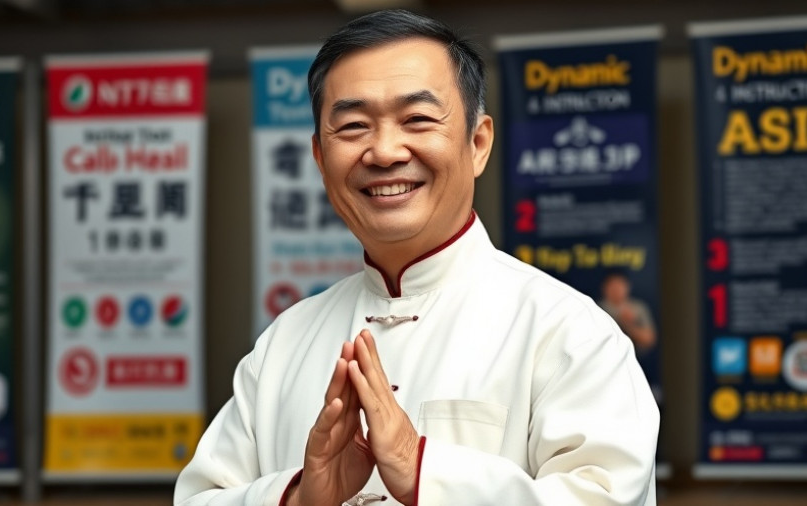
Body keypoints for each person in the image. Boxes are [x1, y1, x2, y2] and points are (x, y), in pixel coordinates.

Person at [175, 9, 659, 505]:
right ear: (320, 159)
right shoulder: (282, 345)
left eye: (417, 119)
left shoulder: (567, 331)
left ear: (477, 143)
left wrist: (420, 467)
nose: (384, 151)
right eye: (354, 126)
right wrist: (298, 498)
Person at [598, 270, 657, 354]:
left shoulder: (638, 307)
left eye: (620, 285)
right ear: (604, 288)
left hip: (636, 357)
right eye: (613, 286)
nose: (616, 290)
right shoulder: (597, 308)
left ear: (627, 287)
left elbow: (649, 339)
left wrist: (629, 325)